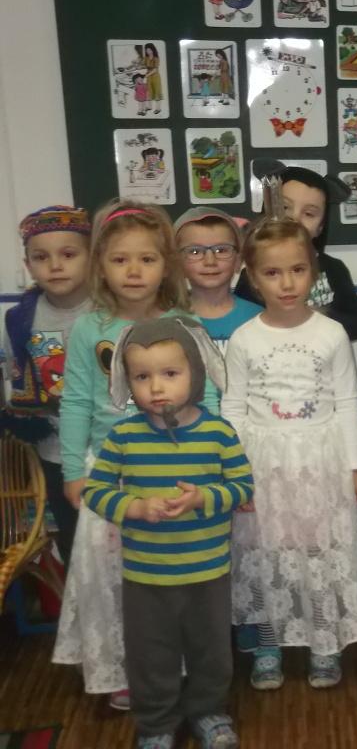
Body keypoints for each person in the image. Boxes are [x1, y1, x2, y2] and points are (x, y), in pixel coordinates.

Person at [53, 201, 217, 709]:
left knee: (171, 576)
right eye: (120, 259)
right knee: (115, 579)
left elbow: (208, 397)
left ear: (166, 265)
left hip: (174, 468)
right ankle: (124, 670)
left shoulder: (184, 322)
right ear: (100, 265)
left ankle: (178, 665)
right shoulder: (89, 328)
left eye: (147, 259)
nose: (133, 270)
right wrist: (73, 470)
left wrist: (211, 464)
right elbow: (76, 401)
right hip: (111, 474)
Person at [84, 318, 253, 749]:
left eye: (170, 373)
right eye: (142, 377)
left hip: (207, 571)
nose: (156, 387)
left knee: (210, 650)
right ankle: (156, 724)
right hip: (146, 574)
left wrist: (203, 498)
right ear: (127, 381)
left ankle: (209, 711)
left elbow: (242, 488)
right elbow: (96, 491)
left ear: (195, 373)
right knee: (150, 654)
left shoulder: (218, 432)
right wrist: (135, 507)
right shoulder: (123, 436)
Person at [223, 204, 357, 691]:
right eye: (272, 273)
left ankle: (324, 643)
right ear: (253, 278)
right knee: (267, 552)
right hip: (263, 464)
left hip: (320, 461)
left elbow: (347, 401)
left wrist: (356, 466)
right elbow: (234, 407)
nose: (287, 283)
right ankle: (268, 645)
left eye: (298, 270)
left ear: (314, 271)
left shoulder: (331, 333)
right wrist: (233, 469)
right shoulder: (244, 338)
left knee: (317, 550)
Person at [2, 206, 92, 565]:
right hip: (57, 453)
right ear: (28, 264)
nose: (55, 266)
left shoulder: (110, 308)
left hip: (114, 447)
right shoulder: (22, 319)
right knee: (75, 545)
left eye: (68, 254)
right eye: (41, 257)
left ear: (92, 257)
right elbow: (18, 371)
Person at [234, 161, 357, 342]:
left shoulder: (334, 268)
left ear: (320, 227)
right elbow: (241, 323)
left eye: (309, 213)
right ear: (266, 213)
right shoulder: (252, 274)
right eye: (285, 207)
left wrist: (312, 318)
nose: (295, 219)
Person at [174, 207, 261, 356]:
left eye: (221, 250)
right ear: (177, 262)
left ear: (238, 260)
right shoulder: (168, 319)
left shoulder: (258, 318)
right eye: (195, 251)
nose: (210, 261)